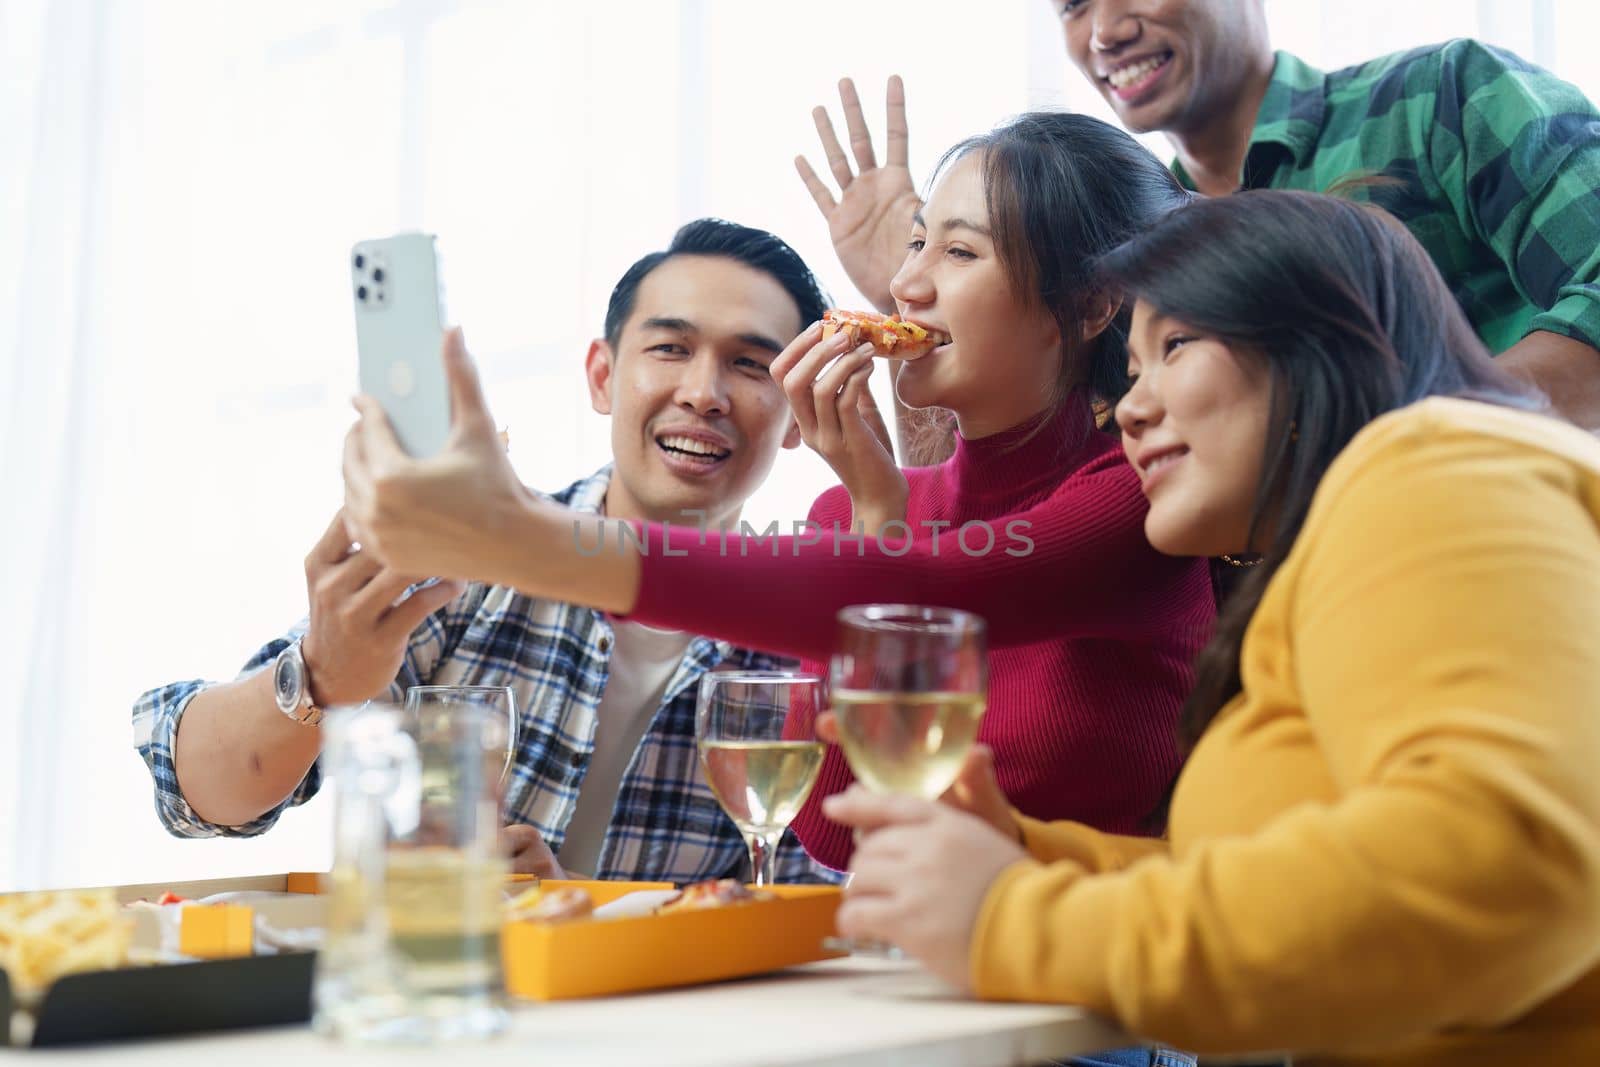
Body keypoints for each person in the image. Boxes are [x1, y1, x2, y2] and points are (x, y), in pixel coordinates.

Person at [821, 190, 1600, 1065]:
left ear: (1317, 339)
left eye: (1176, 348)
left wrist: (1012, 917)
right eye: (1133, 367)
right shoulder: (1346, 547)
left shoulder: (1435, 472)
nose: (1132, 409)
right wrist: (1025, 856)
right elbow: (1270, 887)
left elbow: (1499, 870)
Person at [338, 113, 1216, 873]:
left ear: (1095, 301)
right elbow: (833, 834)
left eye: (958, 251)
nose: (907, 286)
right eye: (917, 244)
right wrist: (875, 508)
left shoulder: (1138, 501)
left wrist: (525, 538)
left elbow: (931, 595)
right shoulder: (857, 512)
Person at [132, 218, 842, 885]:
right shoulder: (469, 560)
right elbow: (198, 794)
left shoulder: (802, 641)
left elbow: (822, 914)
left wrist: (579, 920)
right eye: (670, 348)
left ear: (794, 416)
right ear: (601, 376)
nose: (703, 392)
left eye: (751, 364)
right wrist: (320, 673)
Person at [800, 7, 1600, 452]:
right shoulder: (1111, 246)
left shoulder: (1441, 98)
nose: (1103, 30)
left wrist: (1398, 444)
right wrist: (912, 314)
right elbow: (994, 500)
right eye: (1074, 5)